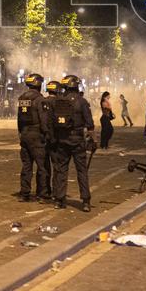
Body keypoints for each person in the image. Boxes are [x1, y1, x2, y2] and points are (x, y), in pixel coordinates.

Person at [47, 74, 94, 212]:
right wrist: (93, 139)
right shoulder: (82, 102)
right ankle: (85, 201)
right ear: (76, 86)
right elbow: (90, 124)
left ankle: (60, 200)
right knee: (82, 171)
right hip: (78, 140)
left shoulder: (58, 101)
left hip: (62, 141)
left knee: (61, 170)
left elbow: (52, 123)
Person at [16, 72, 50, 203]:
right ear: (39, 84)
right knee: (42, 166)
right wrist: (47, 134)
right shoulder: (40, 100)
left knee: (26, 166)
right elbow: (43, 119)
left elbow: (20, 119)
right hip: (37, 135)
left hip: (25, 134)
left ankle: (24, 193)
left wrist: (20, 133)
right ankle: (42, 194)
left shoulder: (22, 98)